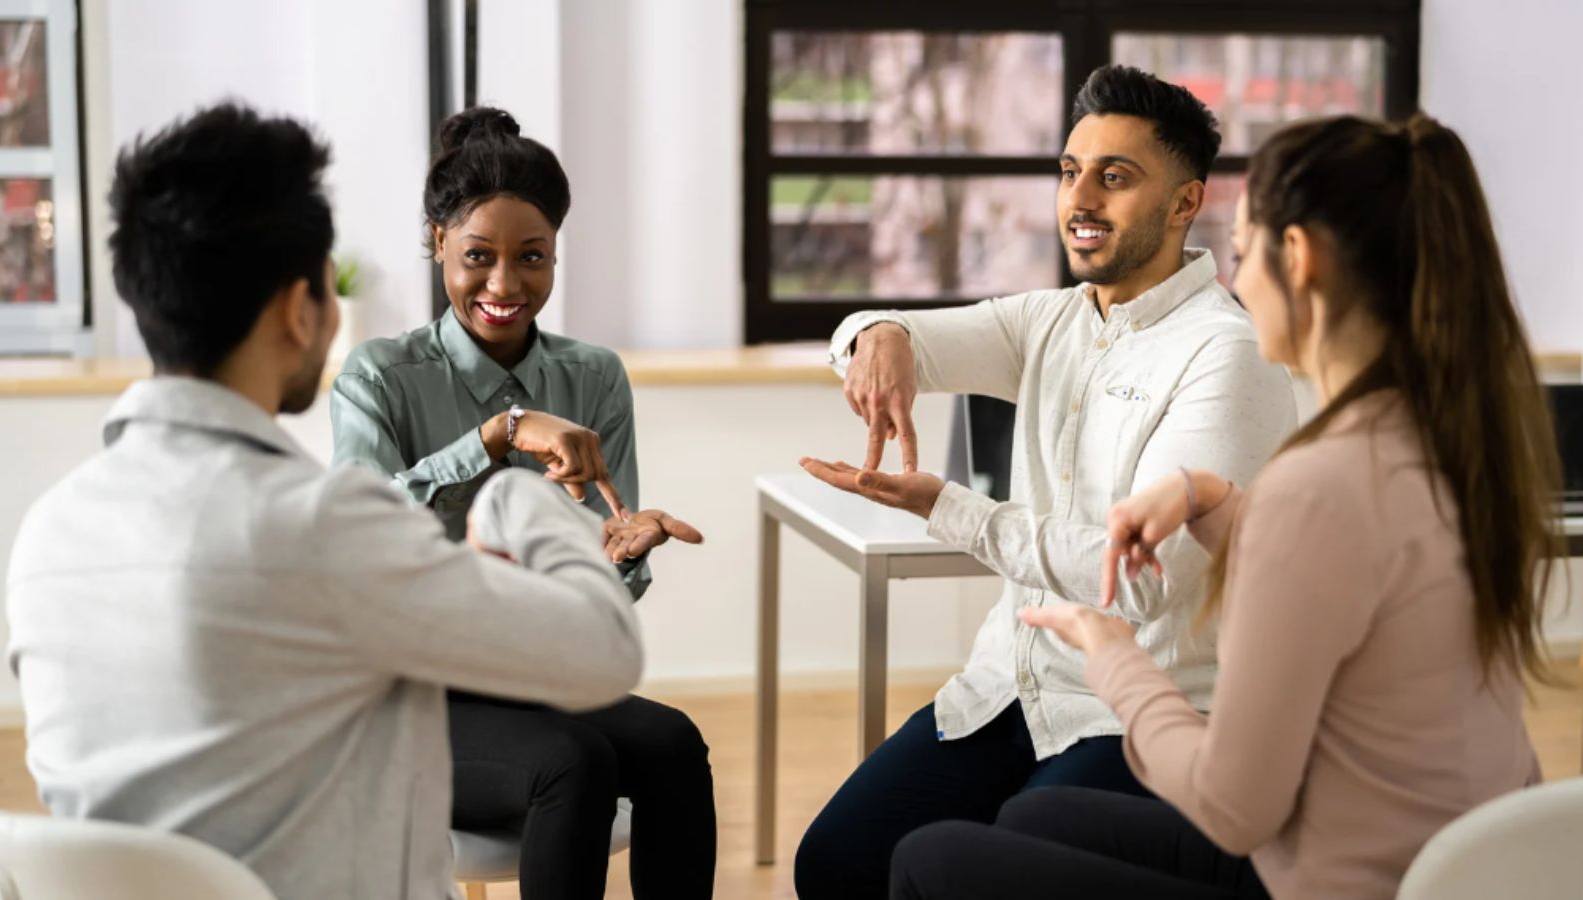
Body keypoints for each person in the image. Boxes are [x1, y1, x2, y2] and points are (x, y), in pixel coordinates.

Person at [891, 112, 1559, 900]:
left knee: (928, 861)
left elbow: (1234, 809)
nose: (1234, 283)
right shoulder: (1452, 448)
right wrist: (1219, 508)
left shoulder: (1313, 484)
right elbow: (1355, 577)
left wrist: (1118, 665)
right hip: (1457, 859)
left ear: (1298, 259)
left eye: (1242, 254)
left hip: (1328, 876)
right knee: (1034, 825)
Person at [5, 103, 644, 900]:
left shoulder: (47, 535)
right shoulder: (324, 526)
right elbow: (602, 651)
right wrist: (518, 493)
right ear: (300, 310)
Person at [790, 65, 1298, 899]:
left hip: (1138, 711)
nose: (1081, 198)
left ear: (1184, 204)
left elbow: (1140, 582)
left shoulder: (1225, 353)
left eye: (1116, 176)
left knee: (986, 873)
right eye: (1070, 171)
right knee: (836, 861)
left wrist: (951, 510)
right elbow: (876, 336)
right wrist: (876, 333)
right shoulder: (1054, 319)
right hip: (1008, 690)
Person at [330, 106, 715, 900]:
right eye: (478, 256)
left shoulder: (594, 377)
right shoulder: (378, 377)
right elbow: (363, 549)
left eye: (532, 258)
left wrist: (621, 557)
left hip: (530, 673)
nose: (506, 285)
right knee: (574, 763)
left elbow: (600, 585)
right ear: (438, 242)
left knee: (674, 744)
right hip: (404, 693)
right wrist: (496, 435)